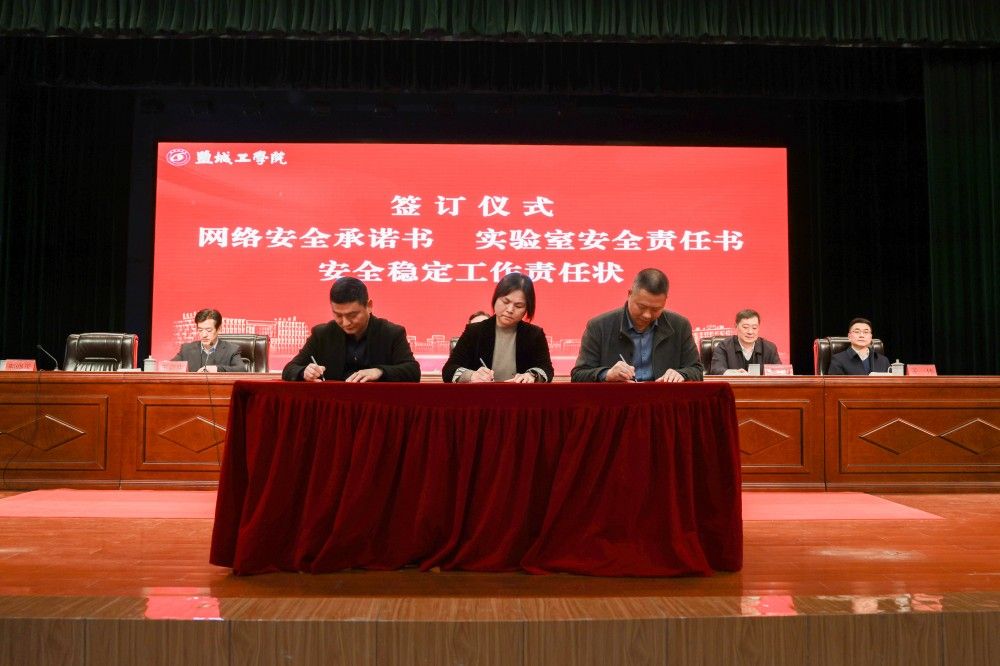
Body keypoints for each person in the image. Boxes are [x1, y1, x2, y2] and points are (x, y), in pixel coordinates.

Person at [571, 268, 703, 383]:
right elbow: (578, 375)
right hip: (617, 401)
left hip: (664, 400)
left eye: (656, 309)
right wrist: (607, 374)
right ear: (629, 294)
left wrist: (682, 374)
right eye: (641, 307)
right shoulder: (599, 326)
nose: (647, 315)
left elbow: (696, 370)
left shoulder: (680, 326)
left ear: (665, 301)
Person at [282, 277, 420, 382]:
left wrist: (380, 372)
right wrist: (304, 372)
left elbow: (413, 371)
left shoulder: (391, 333)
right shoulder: (322, 334)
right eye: (338, 315)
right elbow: (290, 369)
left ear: (369, 306)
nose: (345, 322)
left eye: (352, 315)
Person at [442, 273, 554, 383]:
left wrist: (532, 375)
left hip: (520, 394)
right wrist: (472, 375)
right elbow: (449, 370)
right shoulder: (475, 331)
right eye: (505, 302)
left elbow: (547, 369)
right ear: (495, 299)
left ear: (527, 309)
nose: (510, 310)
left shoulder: (534, 335)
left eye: (518, 306)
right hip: (481, 394)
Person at [171, 308, 246, 372]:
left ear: (219, 329)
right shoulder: (186, 349)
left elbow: (242, 370)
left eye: (209, 330)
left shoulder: (231, 350)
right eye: (200, 330)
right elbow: (169, 367)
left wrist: (217, 369)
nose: (204, 335)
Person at [709, 308, 781, 375]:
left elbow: (780, 372)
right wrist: (734, 374)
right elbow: (716, 370)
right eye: (745, 327)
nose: (750, 332)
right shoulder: (724, 347)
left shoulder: (769, 348)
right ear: (736, 326)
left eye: (754, 328)